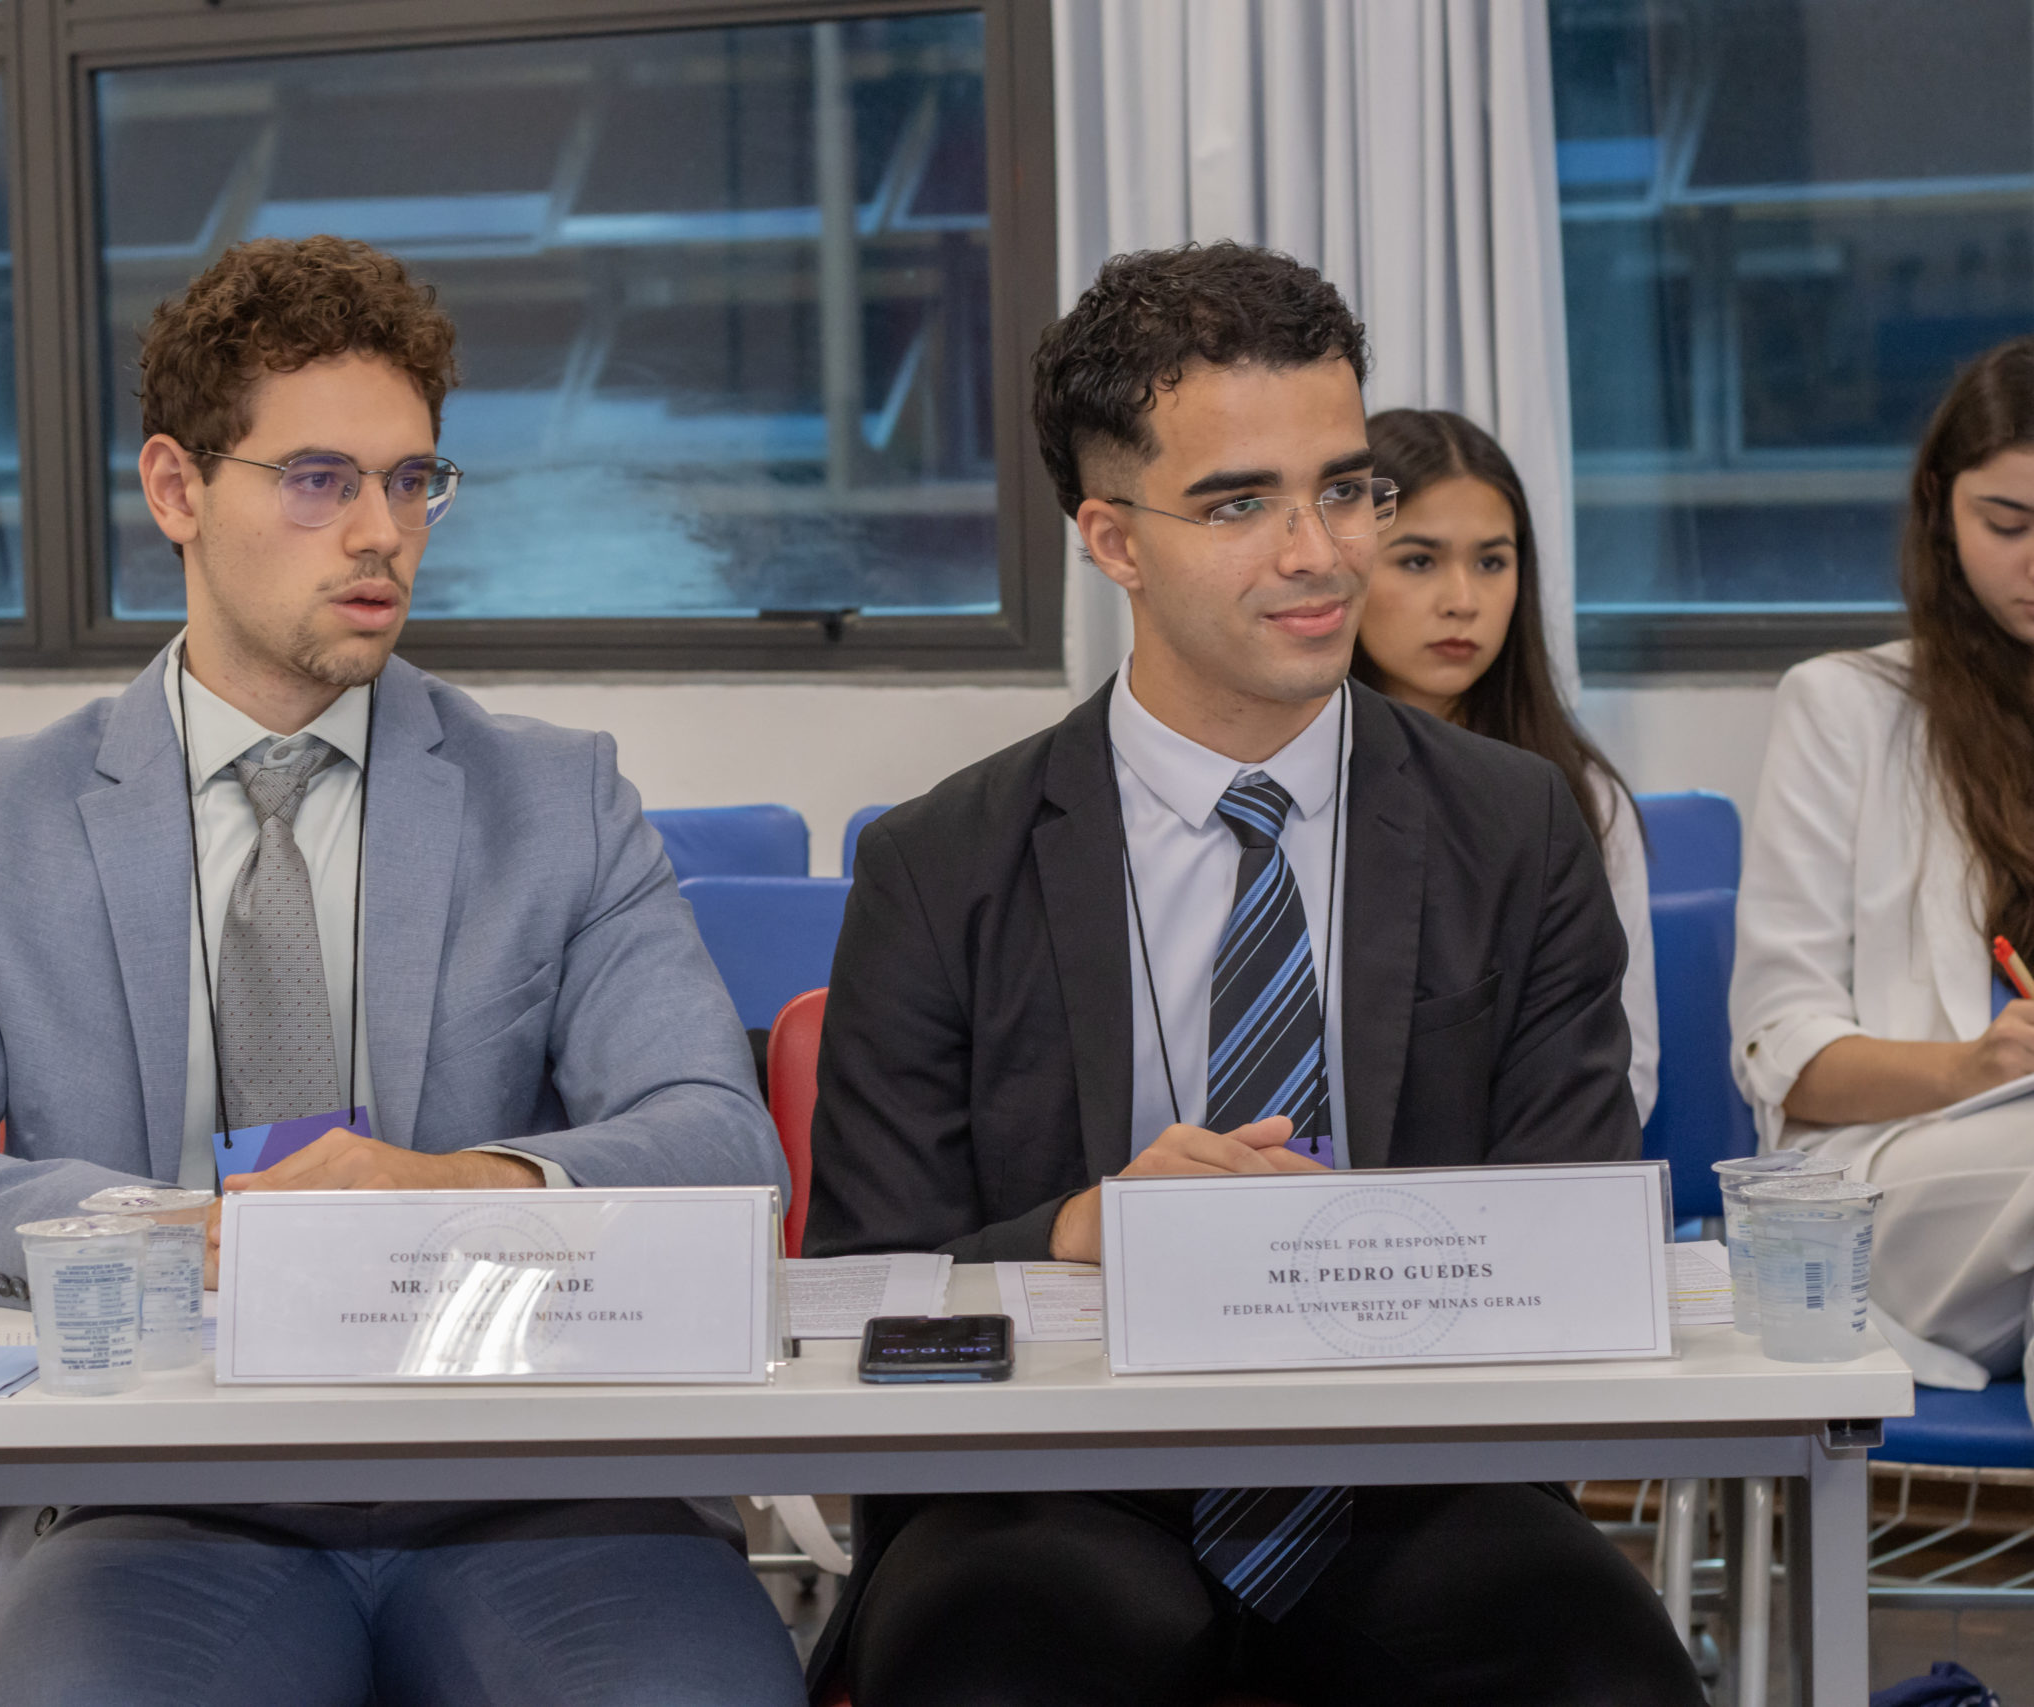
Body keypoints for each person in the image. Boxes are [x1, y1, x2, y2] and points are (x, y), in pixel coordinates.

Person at [0, 235, 805, 1707]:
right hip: (148, 1494)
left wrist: (454, 1190)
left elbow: (723, 1143)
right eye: (321, 480)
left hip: (531, 1479)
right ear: (176, 489)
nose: (382, 531)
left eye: (412, 479)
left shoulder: (559, 799)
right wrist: (175, 1238)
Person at [803, 242, 1697, 1706]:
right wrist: (1086, 1226)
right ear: (1112, 540)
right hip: (1047, 1483)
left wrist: (1329, 1251)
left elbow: (1572, 1222)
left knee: (1603, 1674)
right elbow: (861, 1293)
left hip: (1414, 1478)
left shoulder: (1515, 826)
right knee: (994, 1668)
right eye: (1239, 505)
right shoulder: (938, 860)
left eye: (1345, 489)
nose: (1319, 552)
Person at [1733, 334, 2034, 1398]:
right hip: (1884, 1187)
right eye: (2008, 524)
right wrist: (1973, 1069)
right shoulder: (1844, 709)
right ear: (1940, 516)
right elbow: (1784, 1053)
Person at [1354, 407, 1658, 1124]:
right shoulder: (1286, 781)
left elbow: (1628, 1068)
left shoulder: (1580, 794)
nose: (1463, 601)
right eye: (1419, 560)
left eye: (1492, 562)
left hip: (1530, 1167)